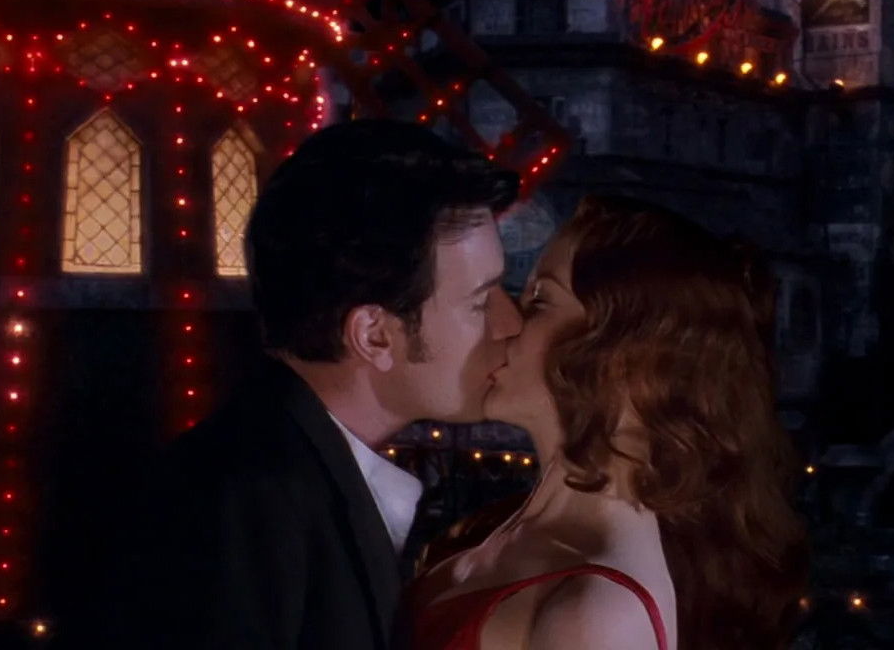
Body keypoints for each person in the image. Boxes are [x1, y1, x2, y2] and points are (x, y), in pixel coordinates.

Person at [119, 119, 523, 649]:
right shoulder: (249, 505)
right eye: (480, 301)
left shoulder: (284, 478)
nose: (510, 323)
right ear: (374, 335)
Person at [406, 194, 811, 650]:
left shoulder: (601, 614)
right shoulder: (515, 535)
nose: (505, 323)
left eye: (539, 302)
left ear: (629, 356)